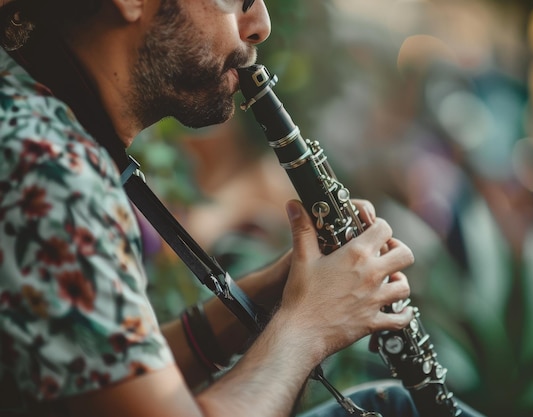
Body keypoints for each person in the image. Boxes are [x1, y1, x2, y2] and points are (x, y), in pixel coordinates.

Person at [0, 0, 428, 416]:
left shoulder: (28, 110)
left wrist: (268, 297)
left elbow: (112, 376)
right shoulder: (50, 170)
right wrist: (308, 326)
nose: (260, 23)